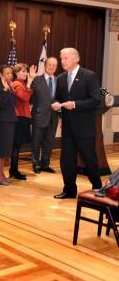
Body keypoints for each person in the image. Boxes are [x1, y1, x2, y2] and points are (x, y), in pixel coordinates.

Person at [52, 48, 102, 199]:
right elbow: (58, 99)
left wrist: (75, 104)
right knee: (66, 160)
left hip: (84, 128)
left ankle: (98, 187)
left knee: (89, 159)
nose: (62, 61)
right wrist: (58, 109)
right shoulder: (60, 78)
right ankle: (69, 190)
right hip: (67, 128)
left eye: (65, 58)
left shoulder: (89, 76)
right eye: (61, 59)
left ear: (76, 59)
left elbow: (96, 100)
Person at [31, 57, 59, 174]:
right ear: (45, 65)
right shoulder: (37, 80)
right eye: (49, 65)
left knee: (49, 142)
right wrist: (31, 79)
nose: (51, 67)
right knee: (36, 141)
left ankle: (45, 164)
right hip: (39, 116)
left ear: (56, 68)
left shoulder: (59, 81)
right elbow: (29, 94)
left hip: (54, 117)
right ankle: (36, 163)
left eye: (54, 65)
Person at [9, 63, 37, 180]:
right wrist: (30, 82)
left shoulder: (22, 84)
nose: (25, 73)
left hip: (23, 117)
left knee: (17, 146)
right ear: (16, 73)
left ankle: (14, 169)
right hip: (18, 117)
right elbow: (24, 97)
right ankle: (14, 170)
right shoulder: (16, 84)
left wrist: (29, 83)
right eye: (22, 71)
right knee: (15, 146)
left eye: (26, 71)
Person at [0, 64, 17, 186]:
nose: (10, 75)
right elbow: (1, 104)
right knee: (0, 150)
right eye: (7, 73)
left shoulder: (10, 86)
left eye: (11, 73)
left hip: (10, 120)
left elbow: (12, 103)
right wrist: (5, 90)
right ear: (0, 75)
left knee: (6, 150)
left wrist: (8, 89)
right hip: (1, 122)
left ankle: (0, 173)